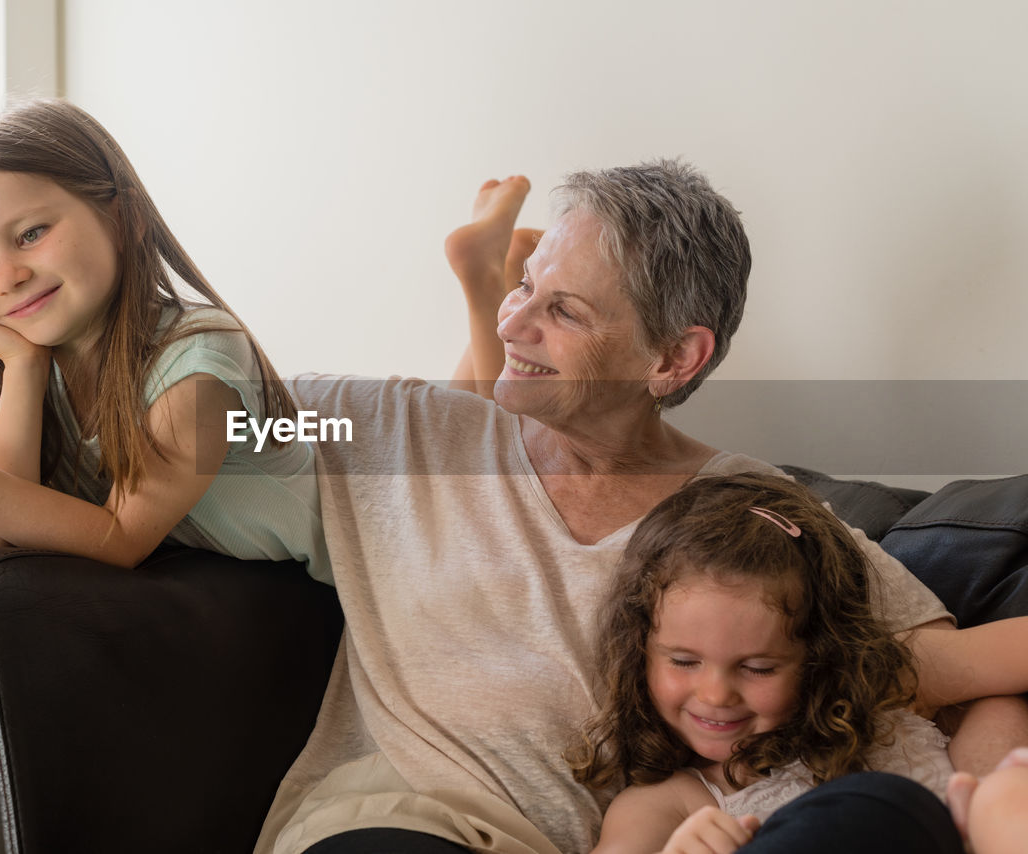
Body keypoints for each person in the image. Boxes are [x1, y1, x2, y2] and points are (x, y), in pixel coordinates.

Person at [253, 162, 1027, 854]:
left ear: (671, 359)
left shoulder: (749, 515)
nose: (513, 324)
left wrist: (982, 817)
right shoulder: (401, 430)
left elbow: (955, 680)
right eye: (523, 287)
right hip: (409, 823)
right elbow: (216, 418)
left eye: (564, 311)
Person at [0, 99, 329, 582]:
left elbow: (121, 537)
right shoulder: (39, 368)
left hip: (321, 593)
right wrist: (23, 368)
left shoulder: (199, 361)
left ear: (124, 220)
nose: (7, 277)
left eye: (31, 233)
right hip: (217, 596)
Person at [571, 471, 1028, 854]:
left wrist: (993, 788)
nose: (715, 694)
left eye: (758, 668)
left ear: (821, 655)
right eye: (684, 661)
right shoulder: (667, 803)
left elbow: (999, 683)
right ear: (641, 651)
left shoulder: (890, 700)